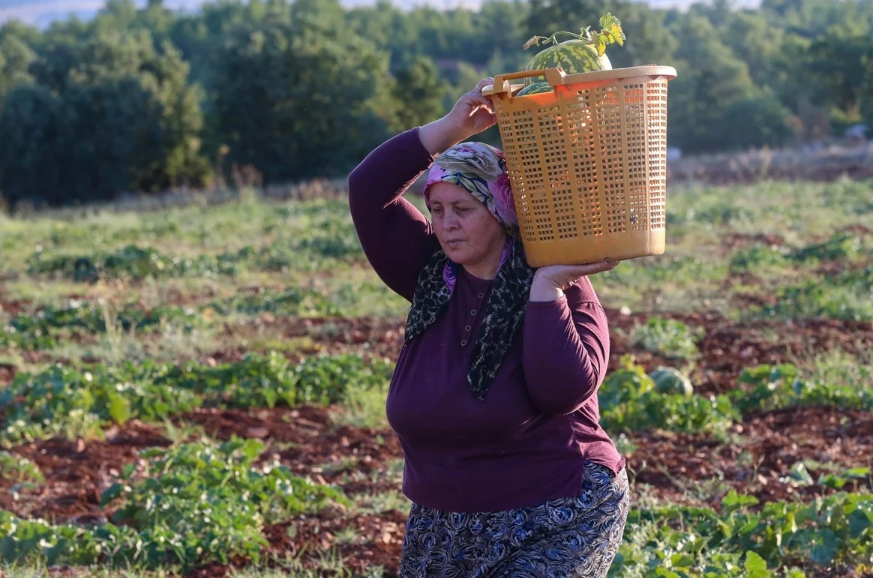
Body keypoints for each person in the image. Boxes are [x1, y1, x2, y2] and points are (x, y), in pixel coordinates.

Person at [348, 77, 629, 578]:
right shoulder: (432, 273)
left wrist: (547, 292)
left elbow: (563, 390)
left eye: (463, 208)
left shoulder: (558, 279)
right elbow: (368, 190)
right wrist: (450, 128)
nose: (446, 223)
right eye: (436, 209)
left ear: (500, 210)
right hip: (445, 520)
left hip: (557, 508)